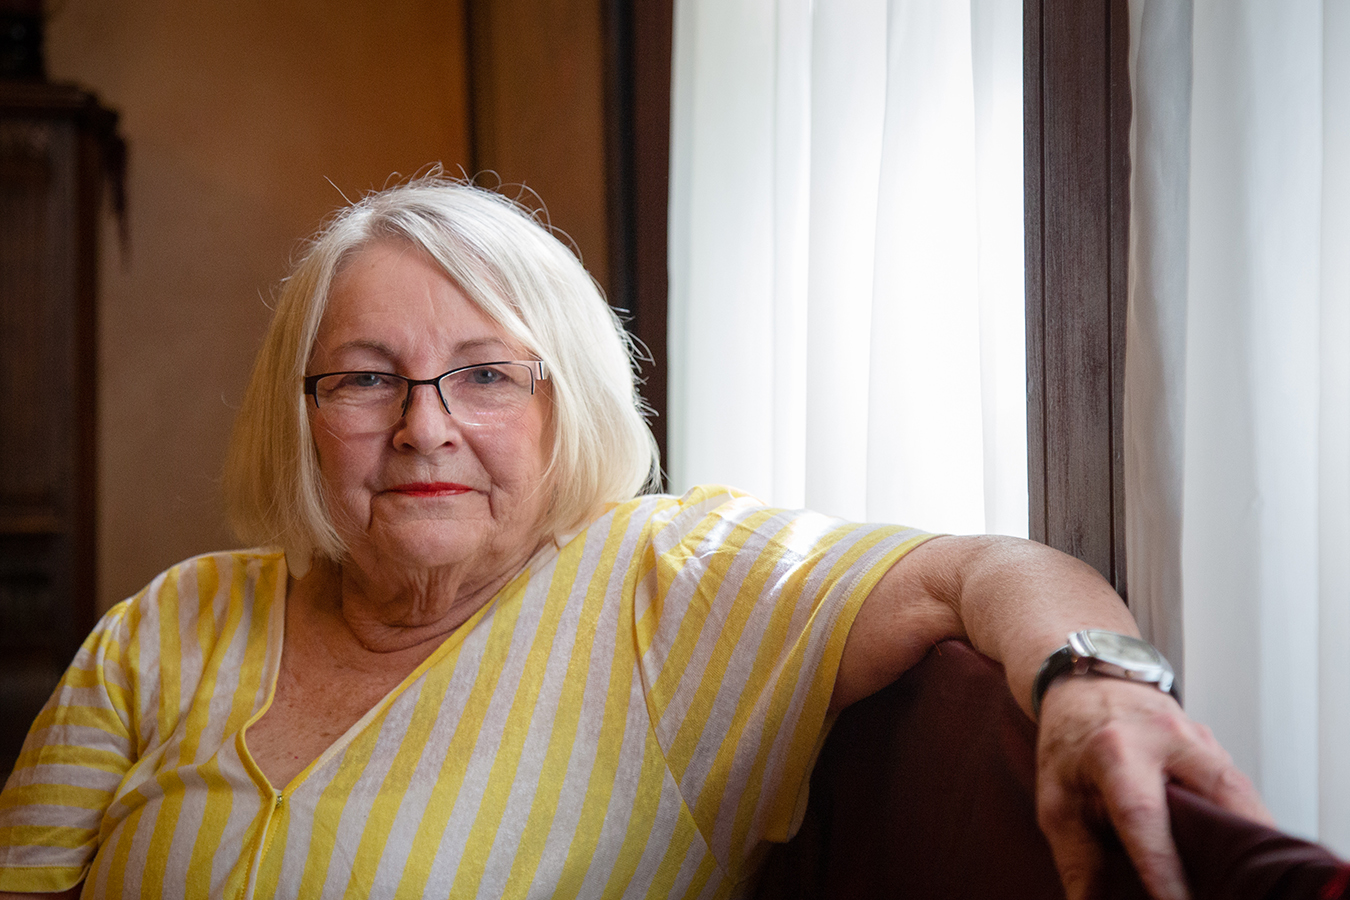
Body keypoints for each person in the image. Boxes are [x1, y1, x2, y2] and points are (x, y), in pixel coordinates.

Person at [0, 177, 1270, 900]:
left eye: (486, 376)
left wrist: (1094, 684)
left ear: (570, 406)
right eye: (368, 378)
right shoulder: (168, 622)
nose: (425, 428)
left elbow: (980, 571)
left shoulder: (665, 586)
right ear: (303, 415)